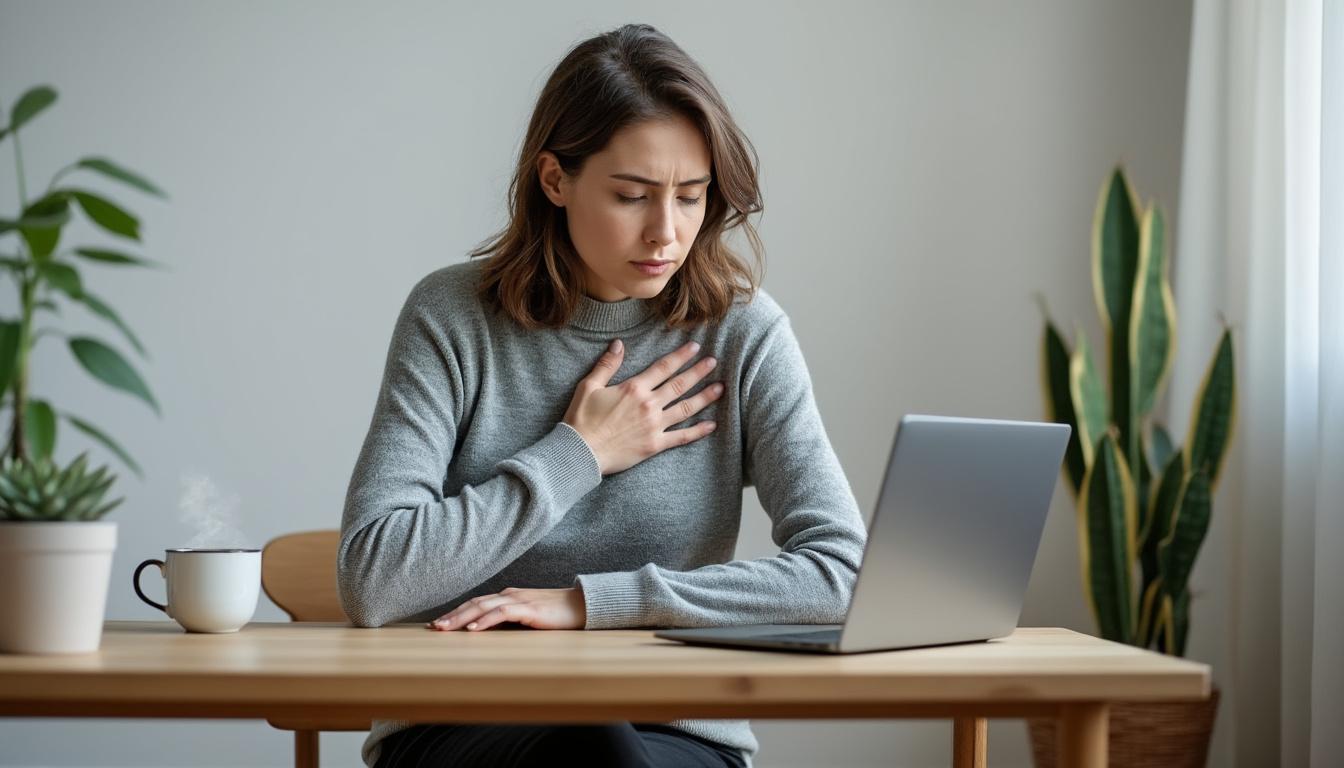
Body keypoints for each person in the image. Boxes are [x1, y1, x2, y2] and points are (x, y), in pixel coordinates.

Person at [338, 22, 868, 768]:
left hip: (674, 732)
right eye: (632, 195)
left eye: (691, 197)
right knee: (590, 747)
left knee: (605, 748)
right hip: (463, 720)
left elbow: (841, 573)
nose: (667, 232)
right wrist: (580, 453)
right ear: (554, 179)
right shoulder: (452, 318)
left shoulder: (742, 334)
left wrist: (592, 603)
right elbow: (373, 577)